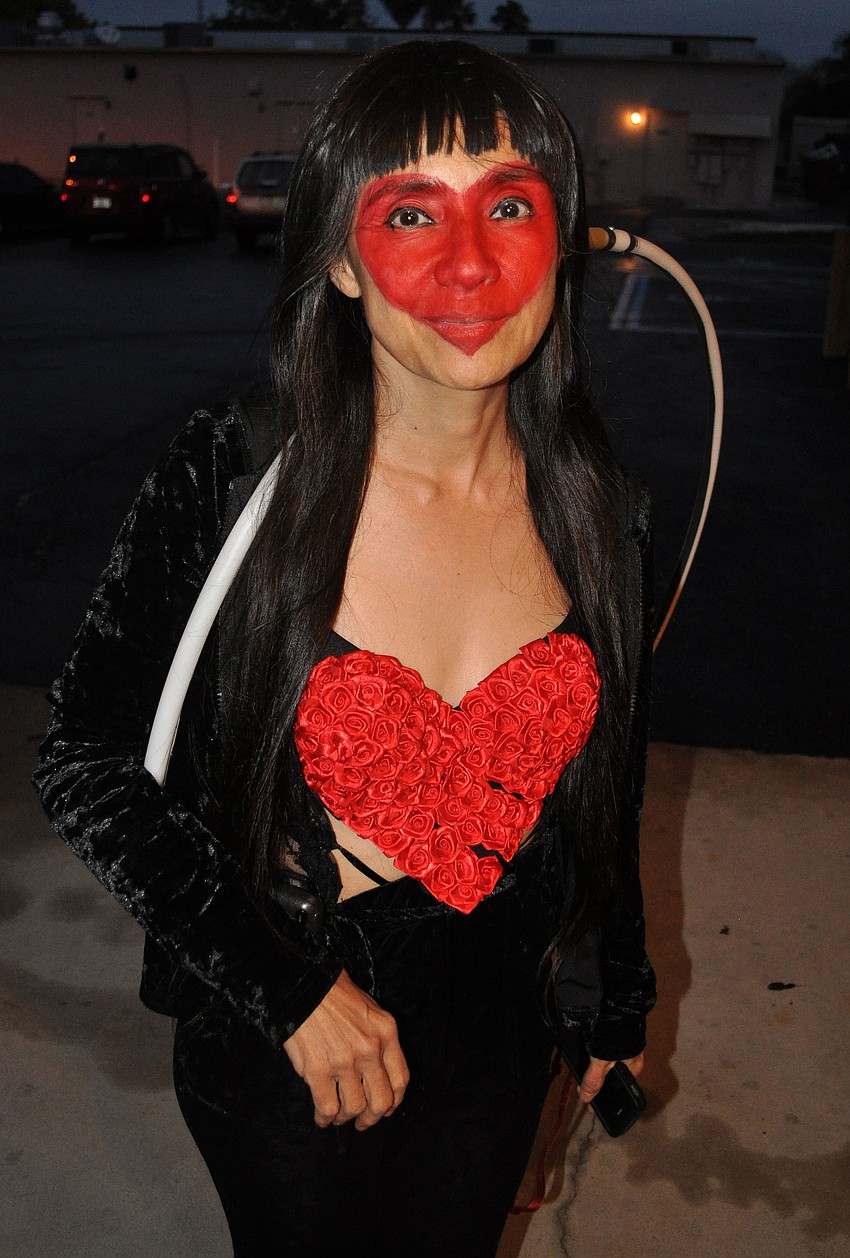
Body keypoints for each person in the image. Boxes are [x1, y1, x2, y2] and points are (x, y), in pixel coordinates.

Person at [34, 39, 655, 1258]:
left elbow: (608, 785)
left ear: (559, 241)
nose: (470, 262)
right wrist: (284, 987)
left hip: (499, 1025)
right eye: (411, 212)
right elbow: (84, 760)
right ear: (337, 258)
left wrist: (609, 1000)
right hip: (291, 1026)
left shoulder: (601, 503)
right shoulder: (235, 474)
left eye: (511, 207)